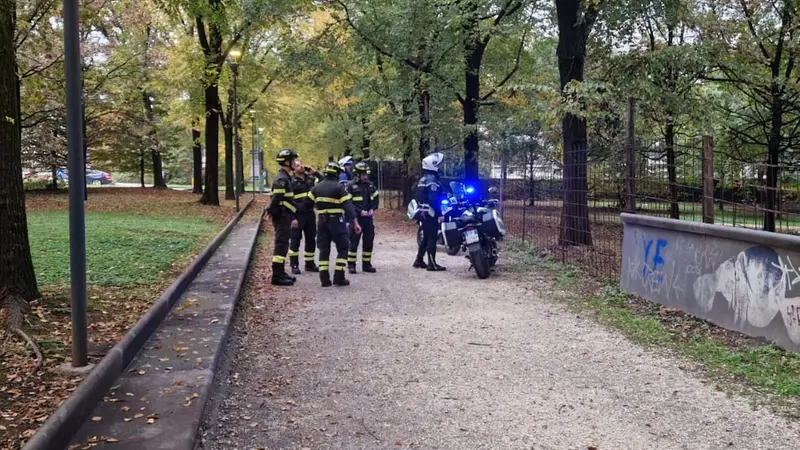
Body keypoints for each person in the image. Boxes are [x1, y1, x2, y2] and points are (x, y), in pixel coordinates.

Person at [310, 162, 362, 287]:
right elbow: (348, 206)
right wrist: (355, 222)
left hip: (322, 222)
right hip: (336, 223)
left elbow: (307, 204)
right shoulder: (339, 188)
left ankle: (324, 280)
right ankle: (339, 277)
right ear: (337, 173)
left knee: (324, 250)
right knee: (344, 248)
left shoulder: (316, 188)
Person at [267, 149, 299, 286]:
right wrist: (270, 211)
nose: (295, 162)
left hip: (286, 215)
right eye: (293, 160)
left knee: (284, 244)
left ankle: (281, 272)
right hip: (282, 216)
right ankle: (277, 276)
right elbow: (277, 198)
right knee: (281, 245)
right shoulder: (282, 179)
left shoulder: (286, 177)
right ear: (286, 162)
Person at [414, 152, 447, 271]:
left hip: (422, 212)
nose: (439, 167)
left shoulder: (423, 179)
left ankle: (418, 260)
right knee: (432, 238)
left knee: (426, 237)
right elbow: (434, 200)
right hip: (430, 213)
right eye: (437, 164)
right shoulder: (432, 181)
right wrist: (440, 214)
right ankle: (431, 264)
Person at [289, 160, 323, 275]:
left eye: (301, 164)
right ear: (294, 169)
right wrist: (292, 217)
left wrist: (315, 172)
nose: (301, 166)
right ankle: (294, 264)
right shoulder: (291, 181)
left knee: (311, 239)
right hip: (297, 214)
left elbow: (324, 183)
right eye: (298, 165)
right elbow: (289, 200)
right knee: (295, 240)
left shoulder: (311, 180)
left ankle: (309, 263)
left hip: (309, 214)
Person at [346, 161, 379, 274]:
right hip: (356, 218)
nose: (365, 176)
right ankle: (351, 265)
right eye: (363, 174)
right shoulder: (350, 186)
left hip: (368, 219)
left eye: (366, 174)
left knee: (369, 240)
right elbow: (348, 203)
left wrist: (372, 209)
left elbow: (376, 199)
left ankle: (366, 264)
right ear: (357, 174)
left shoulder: (370, 185)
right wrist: (360, 211)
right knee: (354, 242)